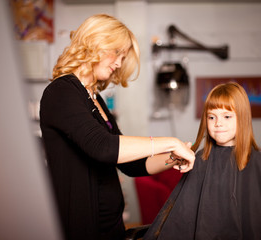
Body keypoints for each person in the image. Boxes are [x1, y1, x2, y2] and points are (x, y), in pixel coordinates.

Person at [39, 14, 195, 240]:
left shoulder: (94, 98)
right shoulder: (61, 92)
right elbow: (104, 147)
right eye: (117, 53)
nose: (119, 63)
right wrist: (171, 142)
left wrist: (172, 157)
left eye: (123, 57)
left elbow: (131, 164)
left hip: (110, 226)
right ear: (95, 44)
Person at [144, 82, 261, 239]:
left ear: (242, 118)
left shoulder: (258, 162)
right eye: (211, 117)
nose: (218, 123)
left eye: (227, 116)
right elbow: (183, 216)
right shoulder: (200, 158)